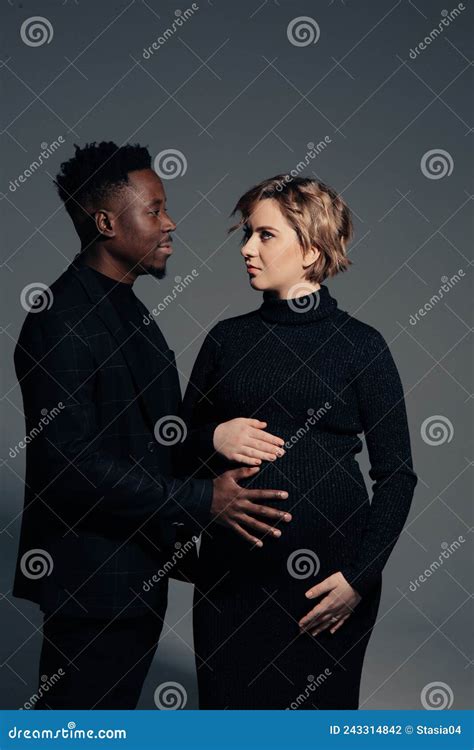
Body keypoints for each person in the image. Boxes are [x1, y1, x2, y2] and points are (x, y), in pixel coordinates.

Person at [12, 143, 292, 709]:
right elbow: (67, 466)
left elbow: (145, 437)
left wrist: (212, 441)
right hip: (92, 589)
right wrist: (202, 500)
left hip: (136, 581)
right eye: (155, 209)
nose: (170, 223)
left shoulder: (126, 308)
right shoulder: (60, 318)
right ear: (107, 223)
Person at [180, 175, 418, 709]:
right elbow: (175, 450)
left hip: (328, 589)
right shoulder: (227, 339)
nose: (245, 248)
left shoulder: (362, 346)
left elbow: (398, 474)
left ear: (310, 249)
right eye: (247, 234)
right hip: (230, 581)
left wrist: (358, 578)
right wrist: (213, 436)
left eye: (264, 235)